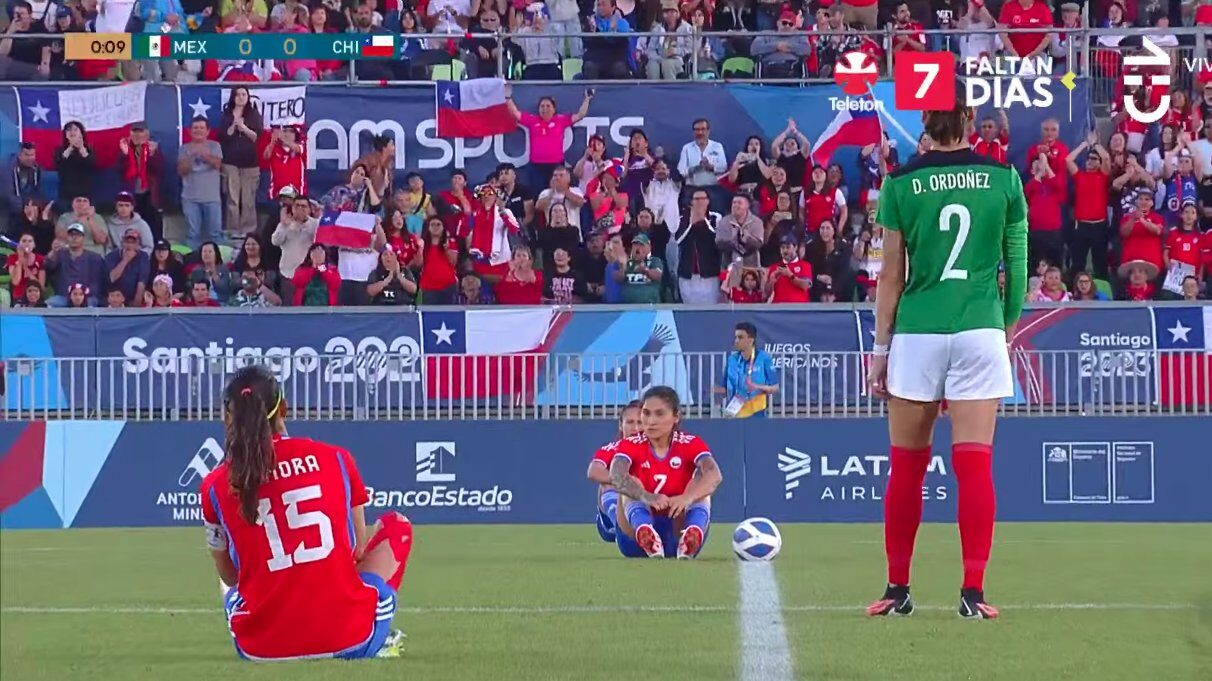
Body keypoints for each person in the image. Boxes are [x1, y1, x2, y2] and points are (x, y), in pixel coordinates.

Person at [866, 92, 1028, 620]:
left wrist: (880, 351)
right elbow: (1017, 268)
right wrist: (1002, 328)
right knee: (974, 464)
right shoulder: (1004, 179)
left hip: (917, 330)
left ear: (925, 124)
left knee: (906, 468)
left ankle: (897, 590)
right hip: (979, 326)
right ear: (968, 120)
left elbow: (890, 275)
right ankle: (973, 594)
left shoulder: (900, 182)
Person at [200, 365, 413, 660]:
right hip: (349, 638)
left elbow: (230, 575)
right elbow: (356, 549)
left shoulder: (214, 484)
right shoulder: (336, 457)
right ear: (284, 408)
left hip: (260, 649)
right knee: (396, 525)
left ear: (227, 415)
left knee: (227, 575)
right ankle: (375, 636)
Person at [609, 386, 723, 559]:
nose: (651, 421)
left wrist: (687, 498)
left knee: (701, 479)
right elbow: (616, 476)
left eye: (659, 414)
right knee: (629, 482)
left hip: (677, 528)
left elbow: (715, 475)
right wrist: (646, 496)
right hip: (633, 538)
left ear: (676, 417)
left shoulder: (690, 443)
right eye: (646, 413)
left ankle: (691, 535)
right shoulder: (630, 444)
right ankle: (645, 532)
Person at [585, 401, 643, 543]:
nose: (635, 428)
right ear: (620, 425)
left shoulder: (658, 450)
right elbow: (593, 471)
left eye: (640, 422)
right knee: (606, 484)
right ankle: (618, 525)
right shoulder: (612, 448)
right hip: (611, 522)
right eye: (630, 422)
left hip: (645, 507)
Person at [714, 322, 778, 418]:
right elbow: (725, 388)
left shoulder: (764, 358)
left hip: (756, 413)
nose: (736, 341)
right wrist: (716, 391)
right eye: (736, 337)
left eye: (740, 337)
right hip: (734, 413)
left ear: (751, 340)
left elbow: (775, 387)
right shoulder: (732, 359)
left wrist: (757, 387)